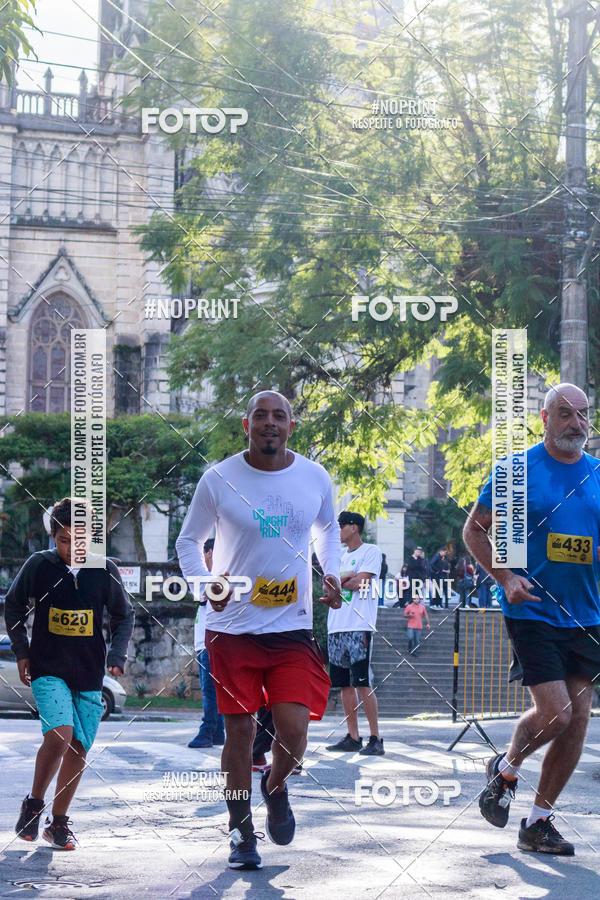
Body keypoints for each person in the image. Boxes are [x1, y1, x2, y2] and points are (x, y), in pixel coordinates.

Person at [176, 390, 342, 870]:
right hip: (231, 627)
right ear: (245, 425)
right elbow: (189, 541)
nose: (270, 423)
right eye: (261, 416)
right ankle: (240, 830)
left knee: (293, 731)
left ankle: (275, 787)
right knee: (240, 731)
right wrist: (207, 585)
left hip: (291, 626)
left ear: (292, 425)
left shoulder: (314, 476)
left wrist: (329, 569)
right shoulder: (219, 478)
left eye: (280, 416)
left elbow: (327, 529)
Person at [465, 383, 600, 856]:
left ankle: (537, 819)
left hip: (586, 613)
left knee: (578, 717)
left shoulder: (598, 474)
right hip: (533, 608)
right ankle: (507, 768)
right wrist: (505, 578)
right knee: (557, 713)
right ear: (544, 418)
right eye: (565, 414)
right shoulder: (516, 470)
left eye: (583, 415)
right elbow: (475, 529)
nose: (576, 423)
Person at [6, 497, 134, 850]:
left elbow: (124, 616)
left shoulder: (103, 570)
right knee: (60, 733)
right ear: (53, 536)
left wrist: (118, 655)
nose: (71, 549)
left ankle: (58, 823)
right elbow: (14, 604)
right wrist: (21, 651)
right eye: (64, 541)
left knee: (79, 745)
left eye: (79, 541)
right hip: (47, 668)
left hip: (89, 671)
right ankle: (34, 803)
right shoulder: (39, 566)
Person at [325, 511, 384, 756]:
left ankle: (376, 738)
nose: (337, 531)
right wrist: (347, 577)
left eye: (340, 526)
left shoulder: (371, 551)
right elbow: (328, 586)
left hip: (359, 625)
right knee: (343, 685)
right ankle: (353, 736)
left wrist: (343, 580)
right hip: (336, 625)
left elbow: (363, 583)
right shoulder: (336, 556)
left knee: (362, 682)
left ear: (354, 527)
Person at [188, 539, 225, 749]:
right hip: (204, 642)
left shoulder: (215, 578)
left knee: (209, 689)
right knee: (212, 689)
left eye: (204, 553)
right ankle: (218, 731)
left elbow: (205, 599)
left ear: (211, 553)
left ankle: (207, 731)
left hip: (210, 643)